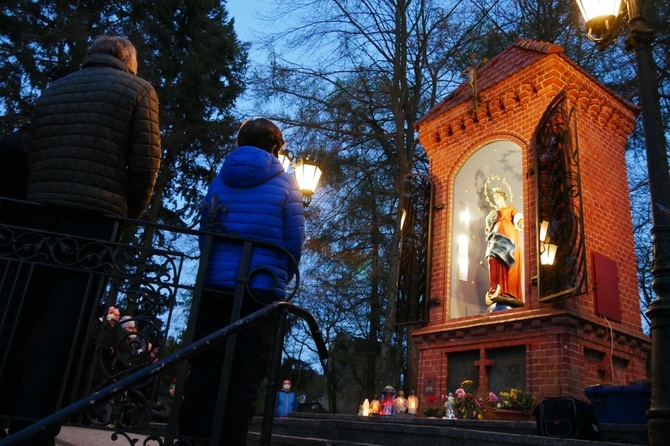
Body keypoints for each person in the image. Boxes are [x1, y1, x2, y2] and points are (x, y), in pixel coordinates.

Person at [2, 34, 161, 446]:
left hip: (38, 218)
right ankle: (33, 427)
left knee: (21, 316)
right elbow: (146, 162)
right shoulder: (138, 90)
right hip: (93, 222)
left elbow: (34, 148)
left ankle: (7, 408)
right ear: (128, 60)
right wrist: (128, 214)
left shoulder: (55, 88)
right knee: (65, 330)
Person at [178, 118, 305, 446]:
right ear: (276, 148)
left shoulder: (220, 180)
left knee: (206, 365)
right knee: (246, 371)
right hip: (259, 289)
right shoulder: (286, 183)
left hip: (216, 285)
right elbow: (294, 240)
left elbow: (207, 230)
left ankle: (193, 437)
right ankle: (229, 439)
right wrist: (280, 275)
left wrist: (213, 269)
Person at [484, 188, 524, 307]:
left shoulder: (510, 208)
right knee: (492, 258)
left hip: (508, 234)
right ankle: (495, 288)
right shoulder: (494, 212)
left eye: (498, 197)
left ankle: (507, 291)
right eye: (495, 198)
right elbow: (488, 229)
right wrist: (487, 220)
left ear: (504, 197)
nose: (497, 199)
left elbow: (517, 218)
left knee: (507, 260)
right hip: (495, 237)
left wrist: (522, 222)